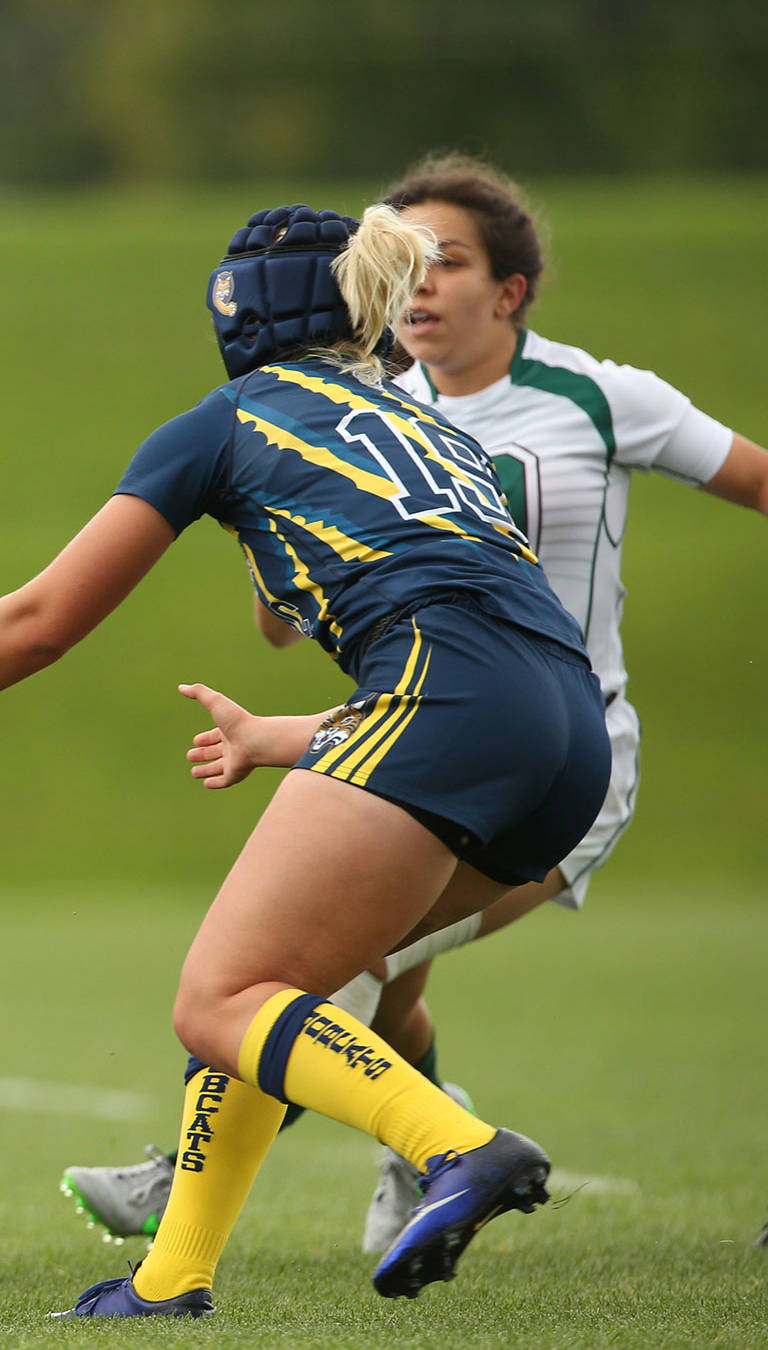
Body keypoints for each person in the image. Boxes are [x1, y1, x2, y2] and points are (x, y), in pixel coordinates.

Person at [0, 205, 608, 1315]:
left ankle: (456, 1147)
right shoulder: (430, 424)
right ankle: (171, 1278)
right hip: (568, 723)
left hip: (441, 697)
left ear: (245, 309)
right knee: (273, 989)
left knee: (222, 998)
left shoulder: (227, 418)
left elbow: (44, 618)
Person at [57, 154, 768, 1256]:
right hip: (427, 719)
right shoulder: (382, 408)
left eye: (450, 262)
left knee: (303, 980)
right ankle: (392, 1170)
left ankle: (346, 1170)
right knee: (355, 984)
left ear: (511, 289)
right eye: (408, 262)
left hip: (569, 737)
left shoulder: (596, 395)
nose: (422, 284)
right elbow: (289, 624)